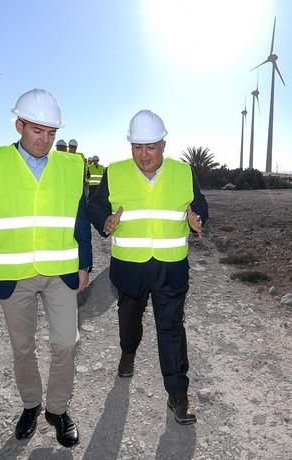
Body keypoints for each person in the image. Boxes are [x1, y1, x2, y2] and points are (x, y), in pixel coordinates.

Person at [0, 89, 91, 448]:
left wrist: (85, 263)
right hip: (12, 275)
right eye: (37, 131)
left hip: (60, 270)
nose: (45, 140)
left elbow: (79, 218)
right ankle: (31, 405)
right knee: (23, 347)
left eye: (51, 133)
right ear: (19, 125)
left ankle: (57, 410)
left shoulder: (72, 166)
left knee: (65, 342)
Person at [88, 109, 207, 425]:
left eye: (150, 146)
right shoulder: (115, 172)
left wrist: (199, 219)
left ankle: (177, 395)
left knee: (171, 330)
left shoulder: (183, 172)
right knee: (129, 319)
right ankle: (128, 352)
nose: (143, 154)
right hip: (129, 268)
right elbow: (95, 206)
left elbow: (200, 205)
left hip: (170, 269)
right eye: (137, 147)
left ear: (163, 144)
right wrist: (105, 220)